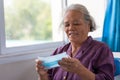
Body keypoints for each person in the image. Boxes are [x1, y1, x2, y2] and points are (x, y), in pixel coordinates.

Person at [36, 4, 115, 80]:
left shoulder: (101, 50)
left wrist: (80, 70)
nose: (71, 28)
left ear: (88, 25)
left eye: (76, 23)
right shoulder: (59, 51)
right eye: (67, 25)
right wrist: (42, 75)